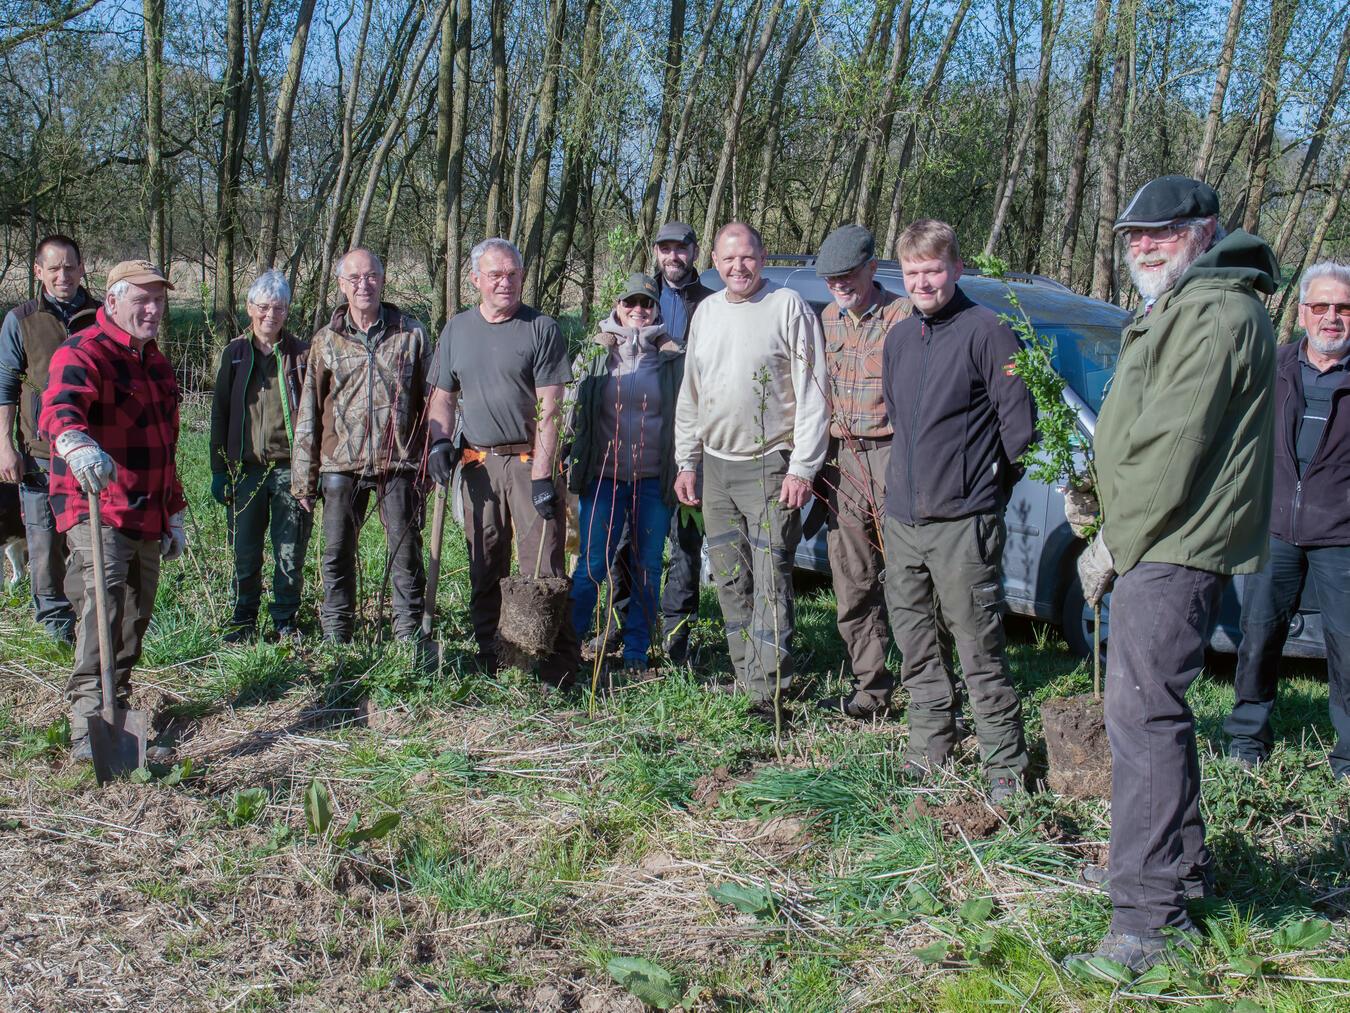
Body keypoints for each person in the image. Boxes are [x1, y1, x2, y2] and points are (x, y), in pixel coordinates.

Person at [1070, 175, 1277, 973]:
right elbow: (1136, 429)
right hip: (1158, 534)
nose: (1144, 246)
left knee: (1143, 716)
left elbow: (1171, 448)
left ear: (1204, 230)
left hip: (1172, 540)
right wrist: (1093, 489)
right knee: (1154, 711)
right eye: (1133, 236)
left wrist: (1113, 541)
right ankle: (1173, 869)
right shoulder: (1181, 305)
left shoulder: (1220, 311)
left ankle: (1150, 920)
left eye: (1160, 232)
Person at [881, 219, 1033, 801]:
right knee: (916, 642)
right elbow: (898, 414)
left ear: (957, 268)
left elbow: (1020, 433)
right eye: (913, 272)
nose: (924, 282)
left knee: (978, 647)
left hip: (964, 524)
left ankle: (1005, 768)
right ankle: (930, 747)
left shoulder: (989, 332)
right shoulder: (899, 338)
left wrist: (984, 500)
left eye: (934, 270)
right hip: (903, 523)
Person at [673, 222, 829, 720]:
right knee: (729, 577)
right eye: (727, 259)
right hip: (716, 466)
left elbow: (812, 392)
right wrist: (687, 460)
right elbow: (691, 393)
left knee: (770, 579)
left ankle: (770, 692)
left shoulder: (787, 308)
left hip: (770, 465)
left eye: (747, 257)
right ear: (714, 263)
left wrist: (802, 467)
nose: (738, 267)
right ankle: (747, 675)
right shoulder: (707, 313)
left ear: (762, 258)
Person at [39, 259, 187, 762]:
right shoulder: (84, 351)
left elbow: (166, 445)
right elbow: (59, 405)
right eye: (142, 300)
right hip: (96, 506)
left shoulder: (158, 364)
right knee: (104, 607)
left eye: (159, 301)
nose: (152, 310)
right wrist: (74, 441)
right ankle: (87, 724)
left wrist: (175, 509)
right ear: (113, 301)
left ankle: (116, 709)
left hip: (147, 507)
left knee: (136, 614)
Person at [425, 237, 580, 685]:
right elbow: (442, 397)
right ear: (476, 280)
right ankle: (493, 655)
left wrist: (543, 475)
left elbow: (551, 407)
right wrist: (439, 443)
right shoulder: (457, 330)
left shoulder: (540, 328)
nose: (505, 283)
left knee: (544, 565)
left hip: (529, 460)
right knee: (485, 559)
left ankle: (555, 664)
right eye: (495, 275)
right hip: (478, 463)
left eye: (513, 274)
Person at [1222, 260, 1350, 774]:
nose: (1332, 318)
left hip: (1341, 536)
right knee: (1258, 637)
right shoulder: (1271, 368)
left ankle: (1347, 757)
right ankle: (1247, 739)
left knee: (1346, 647)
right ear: (1301, 313)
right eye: (1320, 306)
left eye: (1343, 308)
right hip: (1273, 530)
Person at [290, 248, 433, 643]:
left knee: (405, 555)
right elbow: (308, 411)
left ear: (382, 280)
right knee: (336, 553)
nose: (363, 285)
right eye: (354, 278)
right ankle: (338, 634)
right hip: (340, 465)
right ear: (341, 285)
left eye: (370, 276)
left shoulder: (411, 333)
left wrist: (429, 461)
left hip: (398, 463)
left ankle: (409, 636)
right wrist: (304, 478)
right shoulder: (327, 340)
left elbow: (432, 401)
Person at [588, 221, 714, 663]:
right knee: (623, 548)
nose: (673, 256)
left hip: (678, 456)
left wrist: (692, 458)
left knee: (682, 548)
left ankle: (675, 636)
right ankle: (621, 631)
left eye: (681, 248)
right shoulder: (625, 319)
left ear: (694, 251)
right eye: (665, 248)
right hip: (622, 462)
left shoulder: (709, 304)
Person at [812, 224, 912, 718]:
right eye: (832, 279)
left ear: (872, 267)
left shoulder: (904, 315)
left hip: (896, 453)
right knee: (853, 577)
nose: (840, 285)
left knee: (912, 577)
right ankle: (871, 687)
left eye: (848, 275)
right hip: (842, 458)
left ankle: (930, 686)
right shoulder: (827, 319)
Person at [566, 273, 684, 675]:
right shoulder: (595, 353)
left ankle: (636, 650)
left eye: (646, 303)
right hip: (603, 478)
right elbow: (571, 412)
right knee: (592, 564)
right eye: (630, 302)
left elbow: (687, 417)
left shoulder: (673, 358)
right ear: (617, 306)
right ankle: (569, 644)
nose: (638, 310)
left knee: (648, 565)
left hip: (653, 479)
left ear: (657, 309)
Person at [0, 235, 99, 642]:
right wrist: (5, 445)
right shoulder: (21, 320)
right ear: (38, 271)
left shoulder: (103, 315)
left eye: (70, 267)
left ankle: (89, 619)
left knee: (89, 544)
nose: (63, 275)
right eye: (54, 268)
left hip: (93, 452)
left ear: (81, 269)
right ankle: (56, 626)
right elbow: (5, 386)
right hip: (40, 454)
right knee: (43, 544)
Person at [209, 269, 311, 643]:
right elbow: (220, 413)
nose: (271, 314)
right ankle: (243, 619)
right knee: (245, 550)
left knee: (289, 550)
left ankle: (285, 619)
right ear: (250, 308)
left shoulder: (301, 354)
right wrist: (219, 469)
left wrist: (309, 474)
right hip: (246, 471)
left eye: (279, 307)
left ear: (288, 312)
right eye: (264, 306)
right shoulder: (235, 354)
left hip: (290, 469)